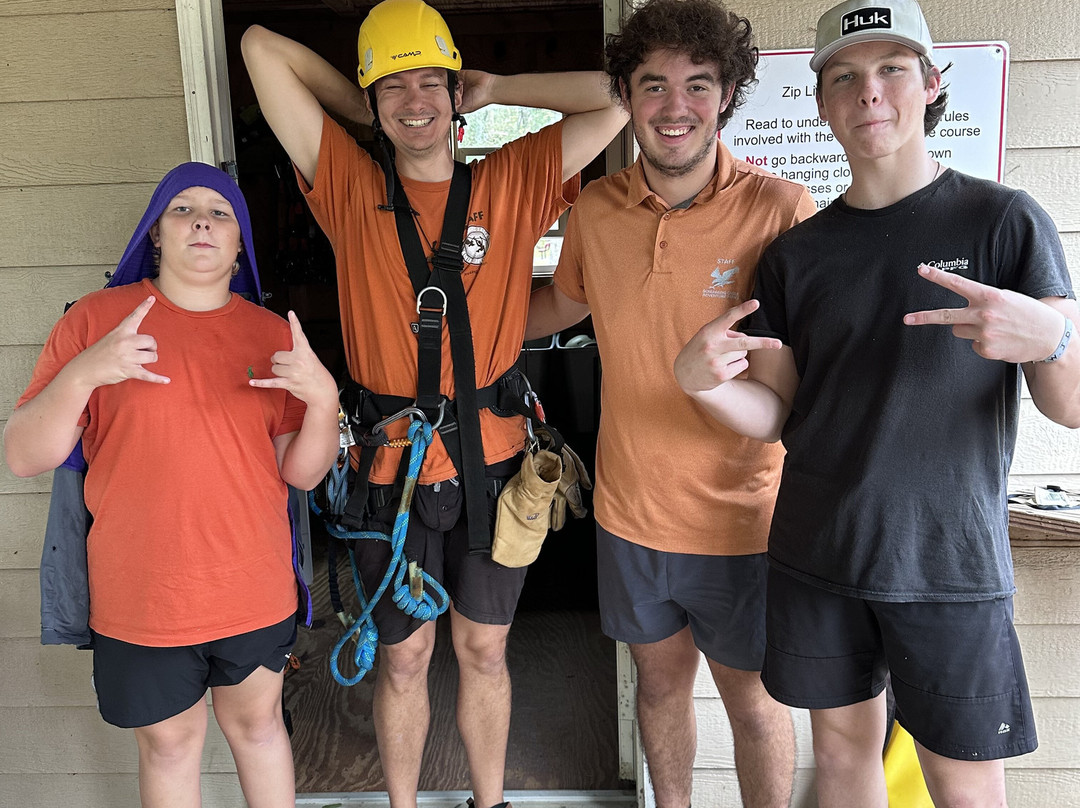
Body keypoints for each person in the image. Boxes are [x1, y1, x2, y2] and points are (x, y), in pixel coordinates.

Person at [673, 0, 1080, 805]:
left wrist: (1055, 338)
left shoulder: (1004, 222)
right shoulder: (795, 256)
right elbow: (781, 415)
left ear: (931, 85)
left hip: (950, 562)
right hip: (818, 552)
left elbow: (1068, 408)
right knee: (842, 759)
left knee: (965, 787)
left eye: (893, 68)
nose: (870, 92)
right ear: (822, 104)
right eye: (845, 77)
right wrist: (702, 385)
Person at [240, 2, 628, 806]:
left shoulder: (513, 179)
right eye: (394, 87)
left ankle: (491, 802)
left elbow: (622, 94)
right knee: (405, 657)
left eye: (429, 83)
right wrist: (362, 108)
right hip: (392, 469)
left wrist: (497, 88)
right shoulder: (347, 183)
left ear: (457, 94)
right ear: (371, 101)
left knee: (485, 651)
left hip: (494, 466)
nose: (414, 101)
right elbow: (259, 48)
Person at [525, 1, 815, 805]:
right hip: (629, 514)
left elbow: (788, 397)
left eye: (698, 84)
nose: (674, 106)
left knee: (754, 704)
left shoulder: (782, 211)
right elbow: (559, 306)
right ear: (625, 96)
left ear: (728, 95)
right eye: (653, 85)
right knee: (657, 687)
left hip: (742, 521)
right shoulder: (597, 209)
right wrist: (451, 320)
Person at [4, 161, 341, 807]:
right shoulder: (97, 320)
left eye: (220, 213)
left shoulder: (273, 335)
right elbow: (23, 456)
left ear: (240, 244)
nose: (202, 223)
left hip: (252, 586)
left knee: (260, 730)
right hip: (142, 596)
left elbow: (301, 471)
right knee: (169, 747)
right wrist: (85, 373)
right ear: (155, 234)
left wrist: (323, 400)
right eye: (182, 209)